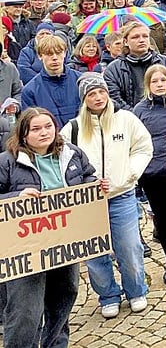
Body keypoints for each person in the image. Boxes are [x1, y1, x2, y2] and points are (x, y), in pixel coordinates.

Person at [0, 108, 107, 348]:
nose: (43, 133)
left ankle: (56, 344)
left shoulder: (72, 154)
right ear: (23, 133)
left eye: (48, 126)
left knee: (64, 297)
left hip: (64, 242)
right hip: (25, 249)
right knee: (26, 310)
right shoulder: (7, 161)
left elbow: (87, 178)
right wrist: (16, 196)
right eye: (35, 129)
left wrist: (96, 186)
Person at [61, 73, 153, 319]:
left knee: (129, 247)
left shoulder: (125, 120)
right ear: (84, 99)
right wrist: (80, 185)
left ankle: (136, 290)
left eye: (101, 92)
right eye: (92, 94)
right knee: (95, 254)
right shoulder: (73, 129)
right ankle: (108, 295)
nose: (98, 97)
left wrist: (130, 173)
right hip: (88, 203)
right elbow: (61, 160)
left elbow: (143, 147)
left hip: (122, 195)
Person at [133, 65, 166, 285]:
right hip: (152, 174)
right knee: (163, 220)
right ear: (148, 85)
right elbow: (135, 142)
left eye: (162, 81)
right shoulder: (140, 110)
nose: (159, 84)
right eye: (154, 81)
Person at [104, 21, 166, 111]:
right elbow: (114, 99)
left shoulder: (164, 62)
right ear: (125, 41)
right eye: (135, 37)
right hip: (129, 119)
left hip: (163, 114)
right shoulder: (113, 69)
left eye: (145, 36)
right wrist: (137, 114)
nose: (141, 40)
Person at [21, 34, 82, 127]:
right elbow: (30, 124)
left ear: (65, 53)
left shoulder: (80, 81)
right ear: (40, 56)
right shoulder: (30, 90)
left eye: (58, 53)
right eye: (49, 54)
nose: (54, 58)